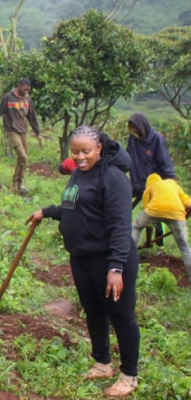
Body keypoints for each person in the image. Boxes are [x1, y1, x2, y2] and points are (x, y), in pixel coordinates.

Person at [27, 126, 139, 398]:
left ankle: (129, 376)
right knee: (93, 310)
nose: (79, 157)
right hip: (82, 257)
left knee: (121, 316)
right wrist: (47, 212)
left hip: (110, 260)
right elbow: (73, 206)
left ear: (99, 148)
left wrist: (115, 268)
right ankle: (102, 363)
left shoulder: (114, 179)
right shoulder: (79, 172)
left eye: (85, 151)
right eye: (75, 152)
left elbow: (120, 228)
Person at [0, 78, 42, 194]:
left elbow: (32, 117)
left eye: (28, 90)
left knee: (23, 159)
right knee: (23, 156)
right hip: (12, 130)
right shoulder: (8, 97)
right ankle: (16, 182)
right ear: (19, 86)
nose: (26, 92)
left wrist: (38, 133)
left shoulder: (28, 99)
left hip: (24, 131)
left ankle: (19, 184)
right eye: (24, 89)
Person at [127, 112, 175, 247]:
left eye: (136, 128)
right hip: (136, 182)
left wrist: (170, 183)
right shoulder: (133, 139)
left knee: (156, 215)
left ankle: (159, 245)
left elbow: (165, 163)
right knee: (122, 205)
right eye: (132, 129)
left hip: (153, 185)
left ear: (143, 126)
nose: (135, 131)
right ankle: (122, 239)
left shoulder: (157, 139)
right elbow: (127, 158)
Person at [132, 173, 191, 280]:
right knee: (184, 246)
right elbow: (189, 204)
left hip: (155, 210)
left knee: (136, 227)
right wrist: (182, 219)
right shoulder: (172, 184)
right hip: (177, 214)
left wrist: (149, 242)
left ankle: (130, 257)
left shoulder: (149, 189)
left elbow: (148, 223)